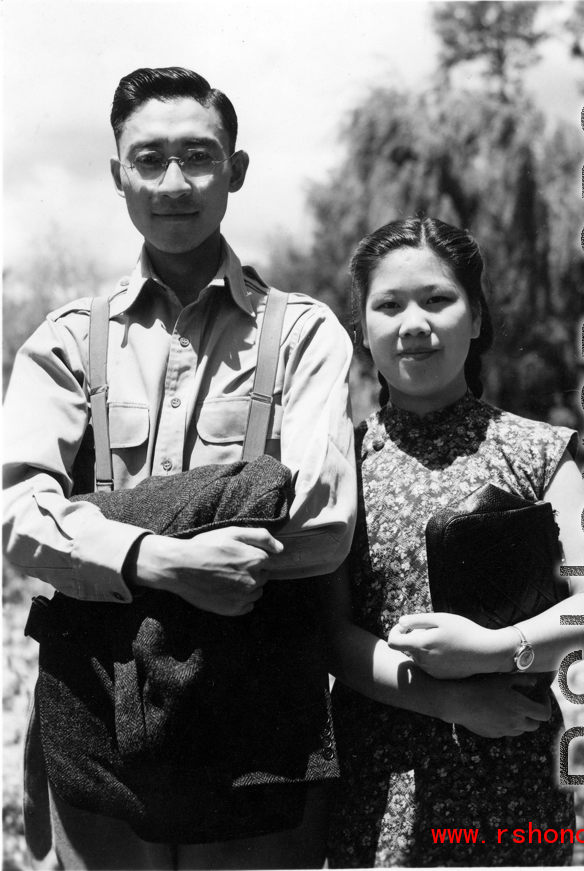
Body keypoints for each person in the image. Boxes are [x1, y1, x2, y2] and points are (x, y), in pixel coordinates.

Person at [3, 67, 356, 870]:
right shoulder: (65, 342)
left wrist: (95, 527)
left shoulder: (302, 335)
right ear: (118, 174)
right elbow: (16, 519)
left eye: (198, 156)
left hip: (254, 707)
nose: (174, 182)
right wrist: (166, 558)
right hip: (92, 700)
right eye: (149, 158)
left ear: (235, 170)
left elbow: (325, 524)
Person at [324, 217, 584, 867]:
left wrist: (496, 648)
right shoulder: (338, 462)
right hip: (380, 783)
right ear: (362, 328)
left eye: (438, 298)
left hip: (514, 778)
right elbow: (330, 633)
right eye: (389, 304)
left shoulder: (537, 453)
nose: (414, 322)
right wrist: (448, 697)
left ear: (477, 315)